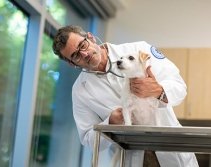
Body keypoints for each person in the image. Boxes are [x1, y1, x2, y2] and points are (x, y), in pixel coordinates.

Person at [52, 25, 199, 167]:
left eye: (82, 45)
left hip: (171, 150)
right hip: (130, 158)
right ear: (71, 64)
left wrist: (158, 90)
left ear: (90, 37)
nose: (84, 54)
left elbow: (179, 86)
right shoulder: (80, 91)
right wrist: (109, 123)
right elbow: (87, 138)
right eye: (76, 55)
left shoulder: (139, 49)